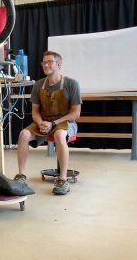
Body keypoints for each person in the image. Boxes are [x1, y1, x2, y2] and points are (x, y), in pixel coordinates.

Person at [14, 51, 82, 195]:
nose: (46, 65)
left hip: (65, 122)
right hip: (44, 122)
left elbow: (75, 113)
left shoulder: (71, 84)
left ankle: (63, 180)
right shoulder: (38, 85)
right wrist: (40, 123)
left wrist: (54, 122)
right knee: (24, 134)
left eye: (49, 62)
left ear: (59, 64)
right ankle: (21, 176)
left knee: (59, 135)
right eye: (44, 62)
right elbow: (35, 112)